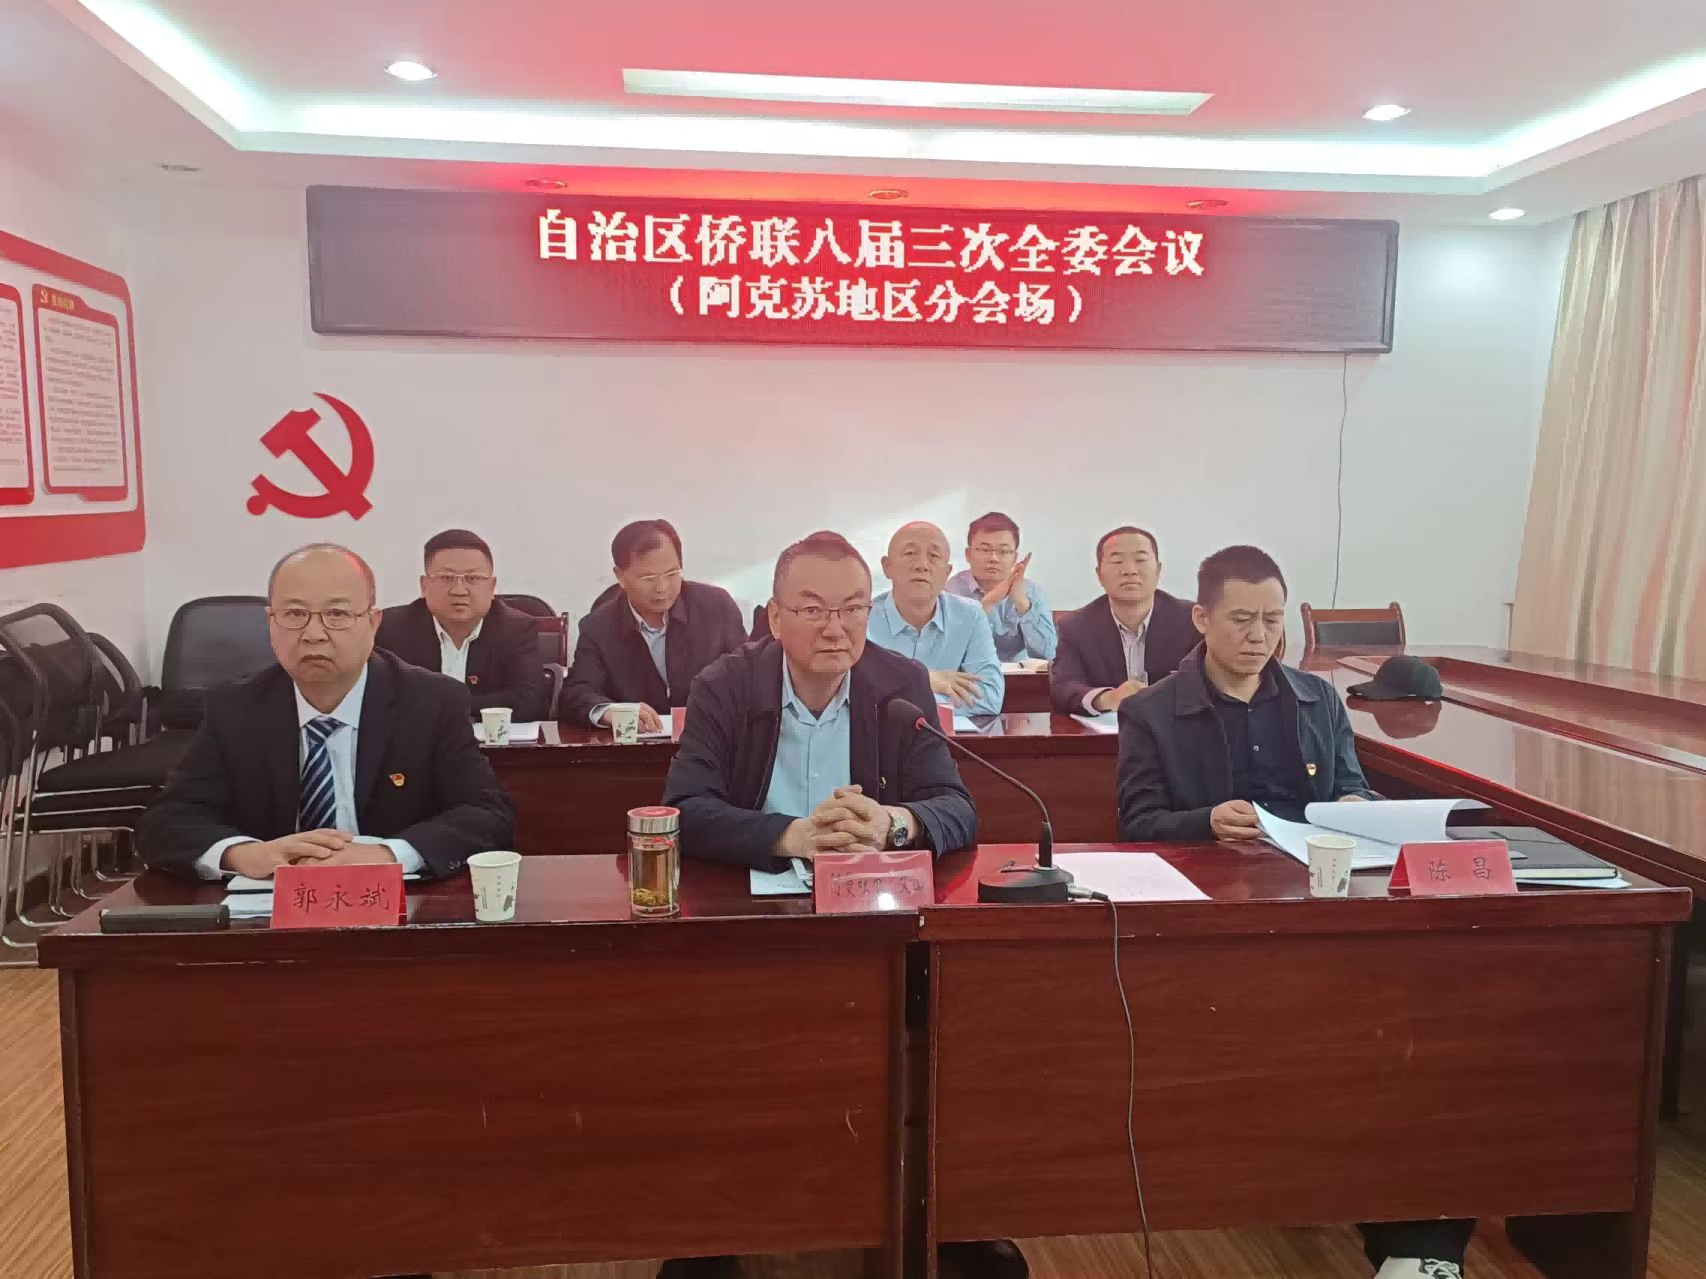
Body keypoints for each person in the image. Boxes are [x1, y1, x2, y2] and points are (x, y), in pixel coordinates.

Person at [661, 532, 1020, 1279]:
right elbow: (685, 809)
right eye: (814, 610)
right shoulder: (726, 684)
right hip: (755, 922)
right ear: (774, 617)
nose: (837, 628)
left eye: (853, 608)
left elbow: (957, 807)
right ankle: (710, 1229)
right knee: (714, 1052)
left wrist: (893, 824)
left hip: (872, 919)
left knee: (966, 1022)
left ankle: (948, 1214)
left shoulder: (898, 681)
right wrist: (789, 834)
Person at [1115, 546, 1469, 1279]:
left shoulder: (1317, 699)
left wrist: (1358, 805)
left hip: (1323, 908)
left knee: (1409, 1042)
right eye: (1241, 619)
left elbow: (1350, 788)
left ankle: (1418, 1246)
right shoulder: (1151, 710)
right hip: (1215, 925)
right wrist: (1204, 821)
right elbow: (1136, 821)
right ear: (1202, 617)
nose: (1259, 636)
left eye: (1273, 620)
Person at [137, 543, 515, 884]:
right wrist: (244, 854)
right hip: (271, 912)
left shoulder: (431, 702)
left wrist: (388, 855)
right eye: (294, 614)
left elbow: (488, 815)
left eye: (336, 614)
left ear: (372, 623)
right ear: (271, 622)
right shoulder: (237, 708)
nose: (313, 633)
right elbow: (166, 821)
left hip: (397, 909)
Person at [561, 519, 748, 733]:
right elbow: (576, 692)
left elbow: (747, 675)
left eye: (672, 574)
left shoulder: (717, 607)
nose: (662, 588)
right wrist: (609, 712)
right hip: (636, 746)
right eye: (648, 578)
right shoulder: (598, 627)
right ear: (620, 576)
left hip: (712, 738)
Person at [375, 528, 546, 721]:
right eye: (446, 578)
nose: (459, 590)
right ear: (424, 586)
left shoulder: (517, 629)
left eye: (473, 579)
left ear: (492, 587)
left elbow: (528, 701)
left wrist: (441, 706)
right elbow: (377, 697)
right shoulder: (390, 628)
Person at [1051, 525, 1198, 716]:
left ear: (1158, 570)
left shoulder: (1193, 621)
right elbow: (1063, 688)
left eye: (1140, 560)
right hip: (1107, 732)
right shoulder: (1075, 627)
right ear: (1099, 575)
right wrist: (1107, 699)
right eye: (1117, 561)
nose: (1130, 570)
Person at [866, 521, 1005, 717]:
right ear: (887, 567)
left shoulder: (970, 615)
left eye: (933, 556)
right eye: (910, 553)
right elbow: (855, 695)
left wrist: (905, 691)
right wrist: (922, 679)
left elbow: (990, 696)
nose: (922, 565)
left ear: (947, 572)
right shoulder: (863, 618)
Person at [945, 511, 1057, 662]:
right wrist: (986, 604)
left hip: (1021, 675)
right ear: (968, 554)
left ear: (1015, 558)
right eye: (985, 550)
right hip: (967, 674)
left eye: (1003, 551)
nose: (993, 558)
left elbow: (1048, 653)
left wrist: (1021, 602)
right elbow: (949, 651)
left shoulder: (1033, 592)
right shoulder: (951, 591)